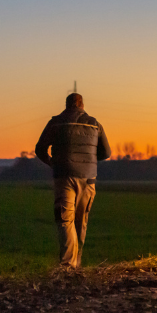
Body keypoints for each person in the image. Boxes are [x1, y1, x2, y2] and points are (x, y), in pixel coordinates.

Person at [34, 93, 111, 269]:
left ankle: (67, 266)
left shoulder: (56, 122)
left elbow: (40, 149)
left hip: (64, 176)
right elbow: (106, 153)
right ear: (82, 105)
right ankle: (77, 264)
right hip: (89, 179)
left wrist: (51, 162)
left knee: (65, 220)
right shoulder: (95, 124)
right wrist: (90, 160)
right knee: (80, 221)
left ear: (67, 105)